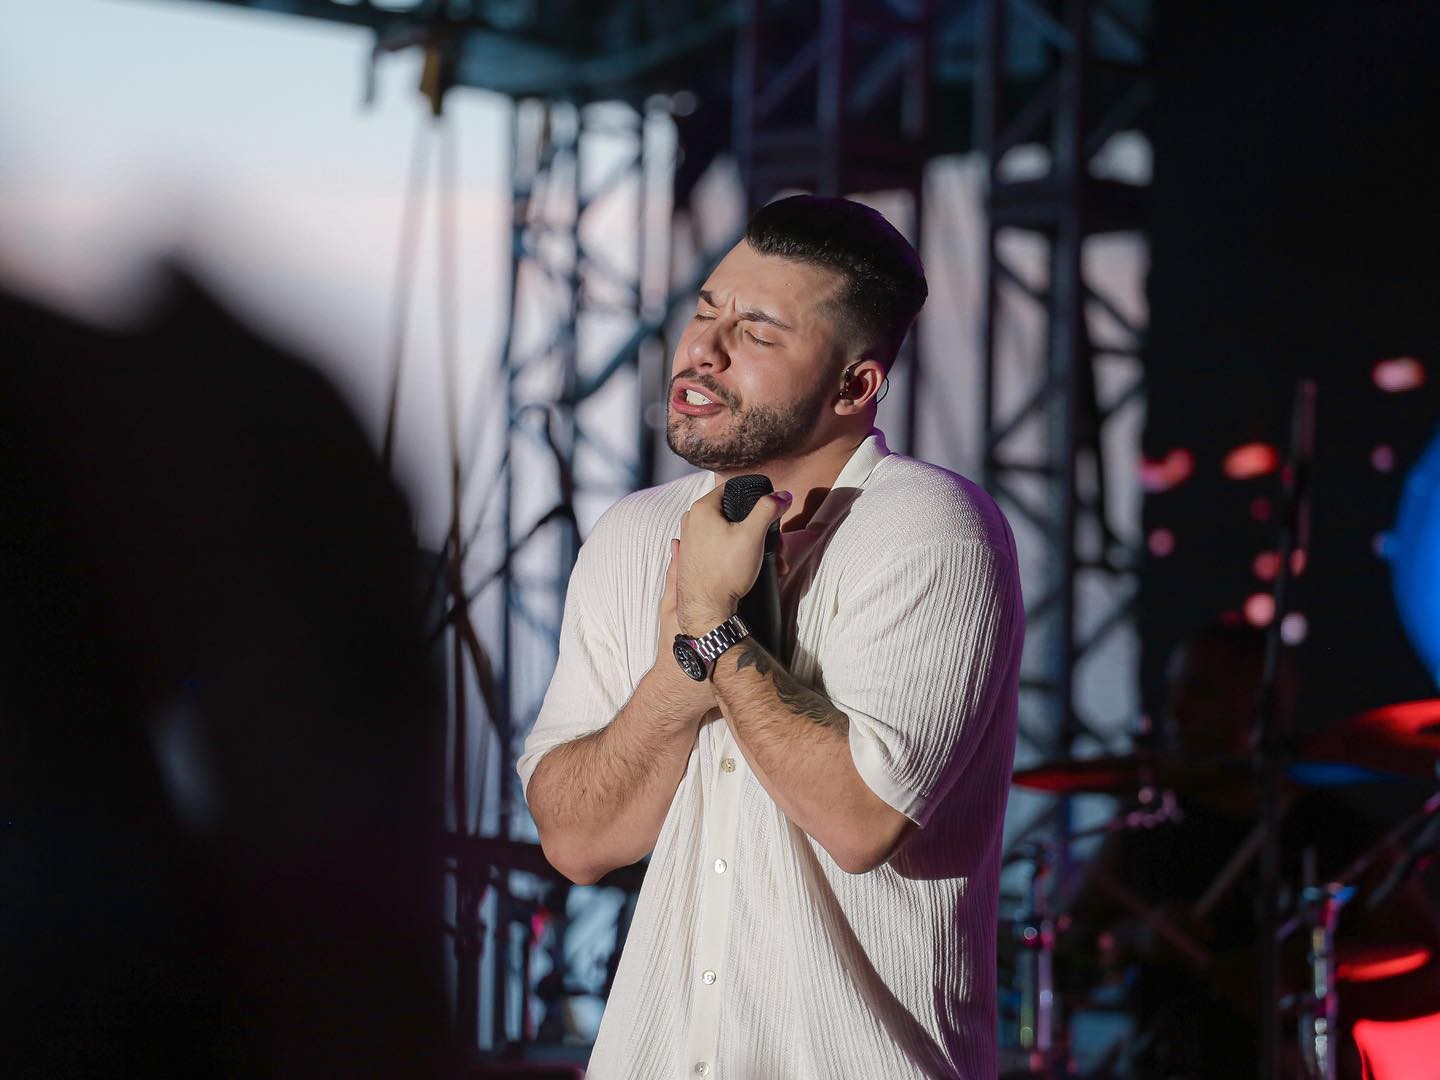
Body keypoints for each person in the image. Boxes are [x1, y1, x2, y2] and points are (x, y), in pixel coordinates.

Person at [519, 195, 1024, 1078]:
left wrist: (716, 627)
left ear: (854, 386)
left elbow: (861, 817)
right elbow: (576, 838)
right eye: (707, 309)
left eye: (756, 332)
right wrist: (688, 667)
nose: (703, 350)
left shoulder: (932, 529)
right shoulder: (633, 535)